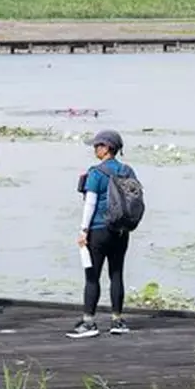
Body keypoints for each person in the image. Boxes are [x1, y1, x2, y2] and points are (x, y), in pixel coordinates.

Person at [67, 130, 136, 339]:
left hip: (98, 230)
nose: (94, 149)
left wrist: (83, 230)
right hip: (121, 231)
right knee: (116, 274)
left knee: (92, 276)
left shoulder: (96, 173)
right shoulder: (128, 171)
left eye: (97, 146)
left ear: (107, 148)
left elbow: (90, 203)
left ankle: (89, 322)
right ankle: (117, 320)